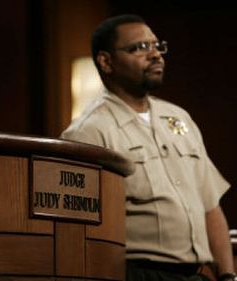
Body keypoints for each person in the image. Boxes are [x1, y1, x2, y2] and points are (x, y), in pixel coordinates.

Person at [61, 14, 235, 281]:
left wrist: (227, 275)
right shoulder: (90, 130)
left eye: (156, 46)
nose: (155, 55)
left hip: (198, 274)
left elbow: (210, 207)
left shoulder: (179, 118)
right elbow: (80, 229)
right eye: (140, 48)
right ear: (106, 62)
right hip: (139, 273)